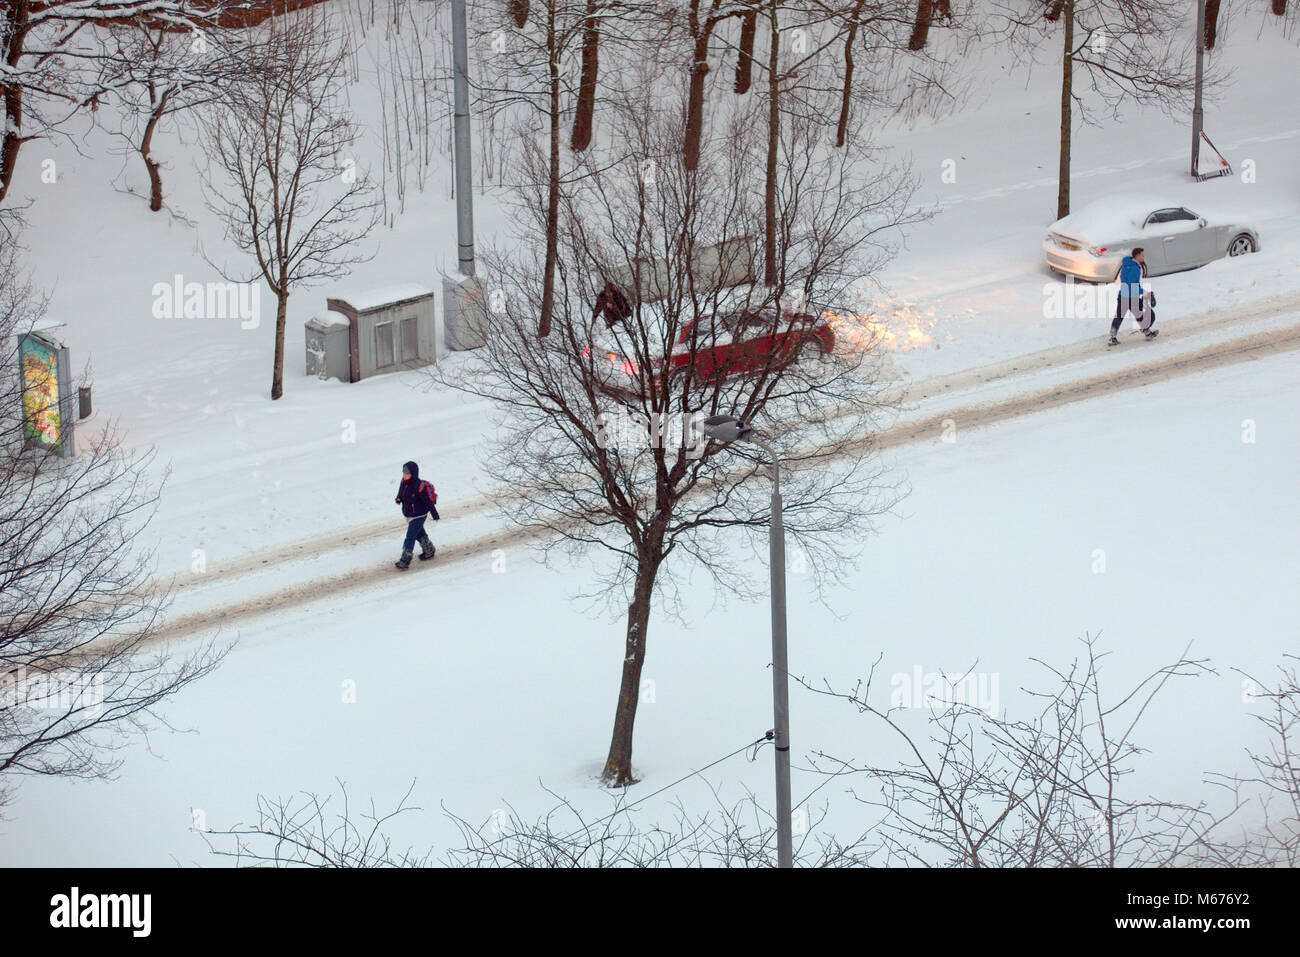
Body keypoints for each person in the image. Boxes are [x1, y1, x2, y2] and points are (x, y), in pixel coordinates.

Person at [394, 460, 438, 569]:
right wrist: (399, 498)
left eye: (407, 473)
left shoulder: (419, 486)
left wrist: (435, 514)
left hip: (419, 514)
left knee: (410, 537)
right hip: (410, 514)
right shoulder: (403, 482)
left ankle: (405, 559)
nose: (404, 475)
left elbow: (428, 501)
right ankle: (429, 550)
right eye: (403, 472)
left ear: (413, 474)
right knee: (419, 533)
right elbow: (401, 492)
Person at [1109, 247, 1158, 345]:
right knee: (1139, 315)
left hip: (1123, 294)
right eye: (1142, 255)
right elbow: (1132, 285)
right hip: (1131, 297)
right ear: (1138, 256)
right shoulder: (1135, 268)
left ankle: (1112, 337)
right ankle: (1146, 332)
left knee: (1121, 316)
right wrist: (1145, 293)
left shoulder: (1126, 264)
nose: (1144, 257)